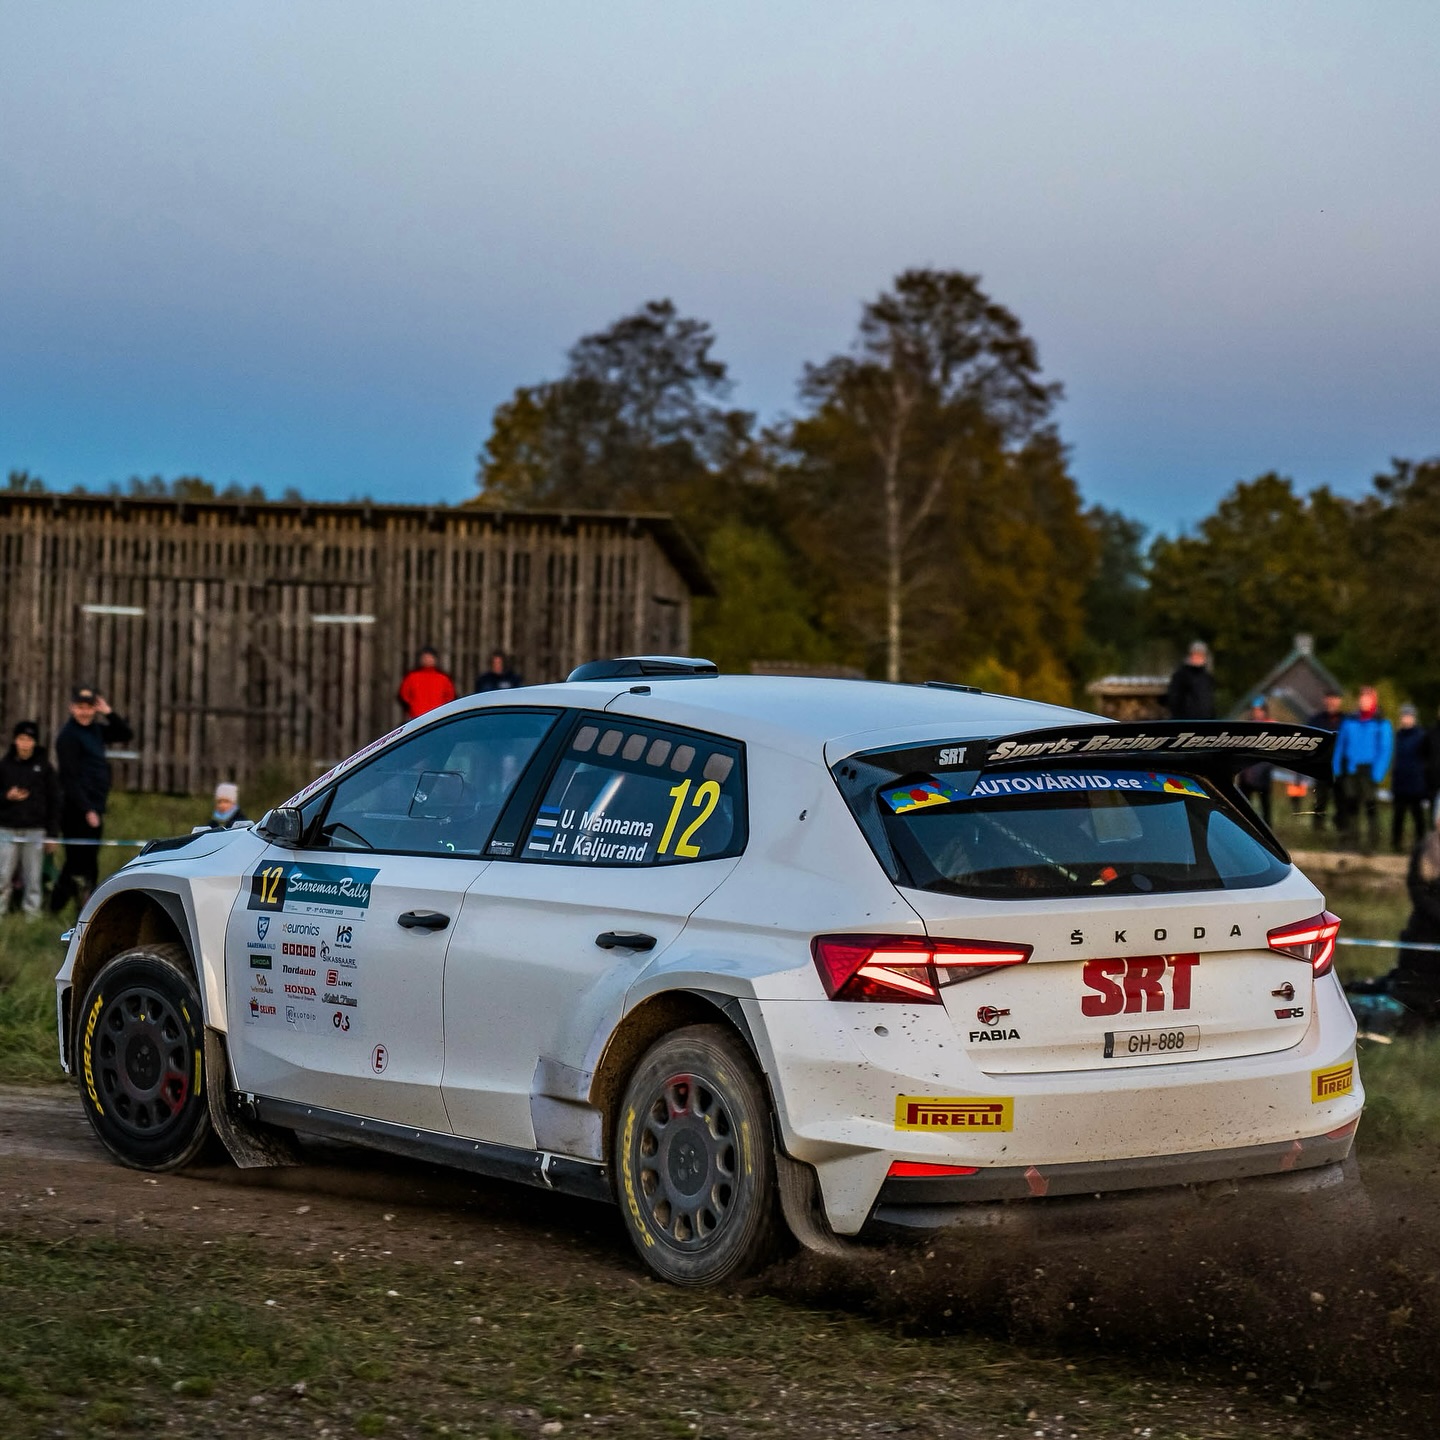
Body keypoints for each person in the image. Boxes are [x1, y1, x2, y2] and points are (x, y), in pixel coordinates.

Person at [50, 686, 133, 914]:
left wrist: (108, 712)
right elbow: (69, 778)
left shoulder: (95, 730)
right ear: (72, 707)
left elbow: (125, 734)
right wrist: (87, 809)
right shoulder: (68, 737)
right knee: (78, 862)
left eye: (89, 708)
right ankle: (68, 908)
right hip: (76, 808)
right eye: (80, 707)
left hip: (95, 805)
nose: (84, 712)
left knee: (86, 860)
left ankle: (64, 907)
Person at [0, 721, 61, 916]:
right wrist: (7, 796)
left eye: (29, 739)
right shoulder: (5, 765)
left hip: (36, 830)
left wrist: (52, 834)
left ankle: (32, 915)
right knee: (3, 875)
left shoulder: (44, 768)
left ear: (34, 742)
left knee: (33, 877)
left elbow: (54, 801)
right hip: (7, 829)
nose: (25, 743)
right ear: (15, 741)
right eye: (21, 739)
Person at [1333, 686, 1392, 854]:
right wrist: (1337, 767)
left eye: (1367, 698)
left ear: (1373, 700)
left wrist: (1378, 772)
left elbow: (1385, 749)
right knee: (1350, 805)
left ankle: (1372, 845)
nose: (1363, 701)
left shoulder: (1382, 723)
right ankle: (1350, 842)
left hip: (1369, 770)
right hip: (1351, 768)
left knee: (1370, 806)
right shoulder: (1350, 720)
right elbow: (1340, 745)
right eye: (1361, 697)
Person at [1391, 703, 1430, 852]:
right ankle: (1396, 845)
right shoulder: (1397, 735)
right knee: (1398, 816)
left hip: (1415, 782)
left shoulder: (1421, 736)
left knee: (1418, 816)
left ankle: (1422, 846)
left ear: (1414, 718)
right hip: (1400, 781)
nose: (1406, 719)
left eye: (1408, 716)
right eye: (1404, 716)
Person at [1306, 691, 1345, 832]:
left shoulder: (1346, 720)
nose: (1332, 702)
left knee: (1341, 801)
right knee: (1320, 801)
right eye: (1329, 699)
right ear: (1325, 700)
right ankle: (1318, 830)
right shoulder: (1316, 720)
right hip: (1321, 766)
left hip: (1340, 768)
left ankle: (1342, 831)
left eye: (1335, 699)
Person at [1237, 696, 1275, 826]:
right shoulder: (1247, 726)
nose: (1256, 713)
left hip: (1263, 769)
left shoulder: (1272, 726)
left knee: (1265, 804)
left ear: (1265, 711)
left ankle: (1268, 829)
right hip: (1247, 770)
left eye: (1259, 710)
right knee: (1244, 804)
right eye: (1254, 710)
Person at [396, 647, 457, 720]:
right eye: (425, 658)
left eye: (430, 657)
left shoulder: (443, 678)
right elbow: (403, 696)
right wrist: (412, 709)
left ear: (435, 659)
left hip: (438, 717)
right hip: (417, 718)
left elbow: (450, 697)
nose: (427, 660)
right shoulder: (412, 677)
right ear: (420, 660)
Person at [1164, 640, 1215, 721]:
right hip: (1186, 721)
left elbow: (1209, 700)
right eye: (1195, 654)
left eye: (1200, 655)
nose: (1197, 657)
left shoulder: (1206, 676)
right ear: (1190, 655)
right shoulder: (1181, 675)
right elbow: (1174, 699)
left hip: (1206, 721)